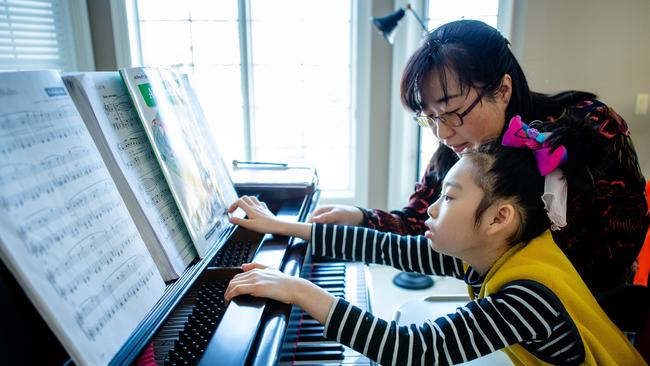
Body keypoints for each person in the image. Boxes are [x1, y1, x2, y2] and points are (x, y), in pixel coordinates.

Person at [224, 116, 645, 365]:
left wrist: (300, 290)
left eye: (449, 196)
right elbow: (381, 246)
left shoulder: (525, 298)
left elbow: (410, 349)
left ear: (499, 217)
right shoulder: (494, 253)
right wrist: (286, 227)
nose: (431, 208)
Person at [309, 20, 648, 297]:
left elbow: (623, 239)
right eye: (430, 118)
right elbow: (418, 221)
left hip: (592, 311)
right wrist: (359, 216)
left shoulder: (591, 124)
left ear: (502, 90)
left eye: (452, 112)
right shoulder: (454, 152)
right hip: (506, 315)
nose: (442, 133)